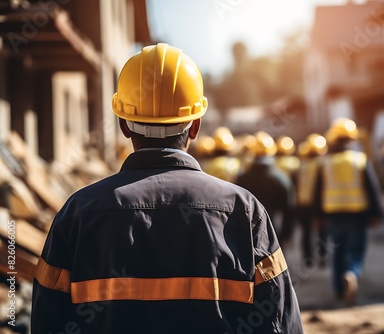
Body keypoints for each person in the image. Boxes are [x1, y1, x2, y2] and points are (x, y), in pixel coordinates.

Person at [31, 43, 303, 333]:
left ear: (124, 125)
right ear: (195, 126)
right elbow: (279, 319)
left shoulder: (78, 214)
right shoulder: (244, 211)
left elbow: (47, 320)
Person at [317, 118, 382, 306]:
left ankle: (338, 290)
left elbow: (317, 191)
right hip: (357, 214)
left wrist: (318, 216)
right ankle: (352, 273)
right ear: (352, 138)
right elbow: (372, 188)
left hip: (333, 214)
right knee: (355, 250)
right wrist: (376, 214)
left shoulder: (325, 162)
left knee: (337, 251)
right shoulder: (360, 159)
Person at [236, 131, 295, 240]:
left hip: (248, 233)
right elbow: (289, 208)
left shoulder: (242, 178)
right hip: (274, 233)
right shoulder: (281, 178)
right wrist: (286, 234)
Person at [294, 134, 328, 267]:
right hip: (319, 204)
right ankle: (322, 258)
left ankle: (308, 259)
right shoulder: (323, 164)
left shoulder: (301, 165)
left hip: (303, 204)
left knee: (306, 233)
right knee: (322, 232)